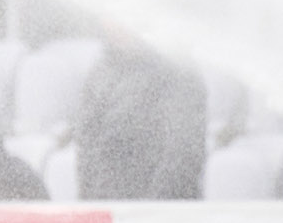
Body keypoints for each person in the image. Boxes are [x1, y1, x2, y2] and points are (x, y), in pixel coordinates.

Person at [73, 36, 206, 200]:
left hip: (160, 214)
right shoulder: (100, 73)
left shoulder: (179, 72)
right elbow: (86, 154)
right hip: (109, 209)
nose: (116, 25)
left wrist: (149, 213)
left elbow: (180, 159)